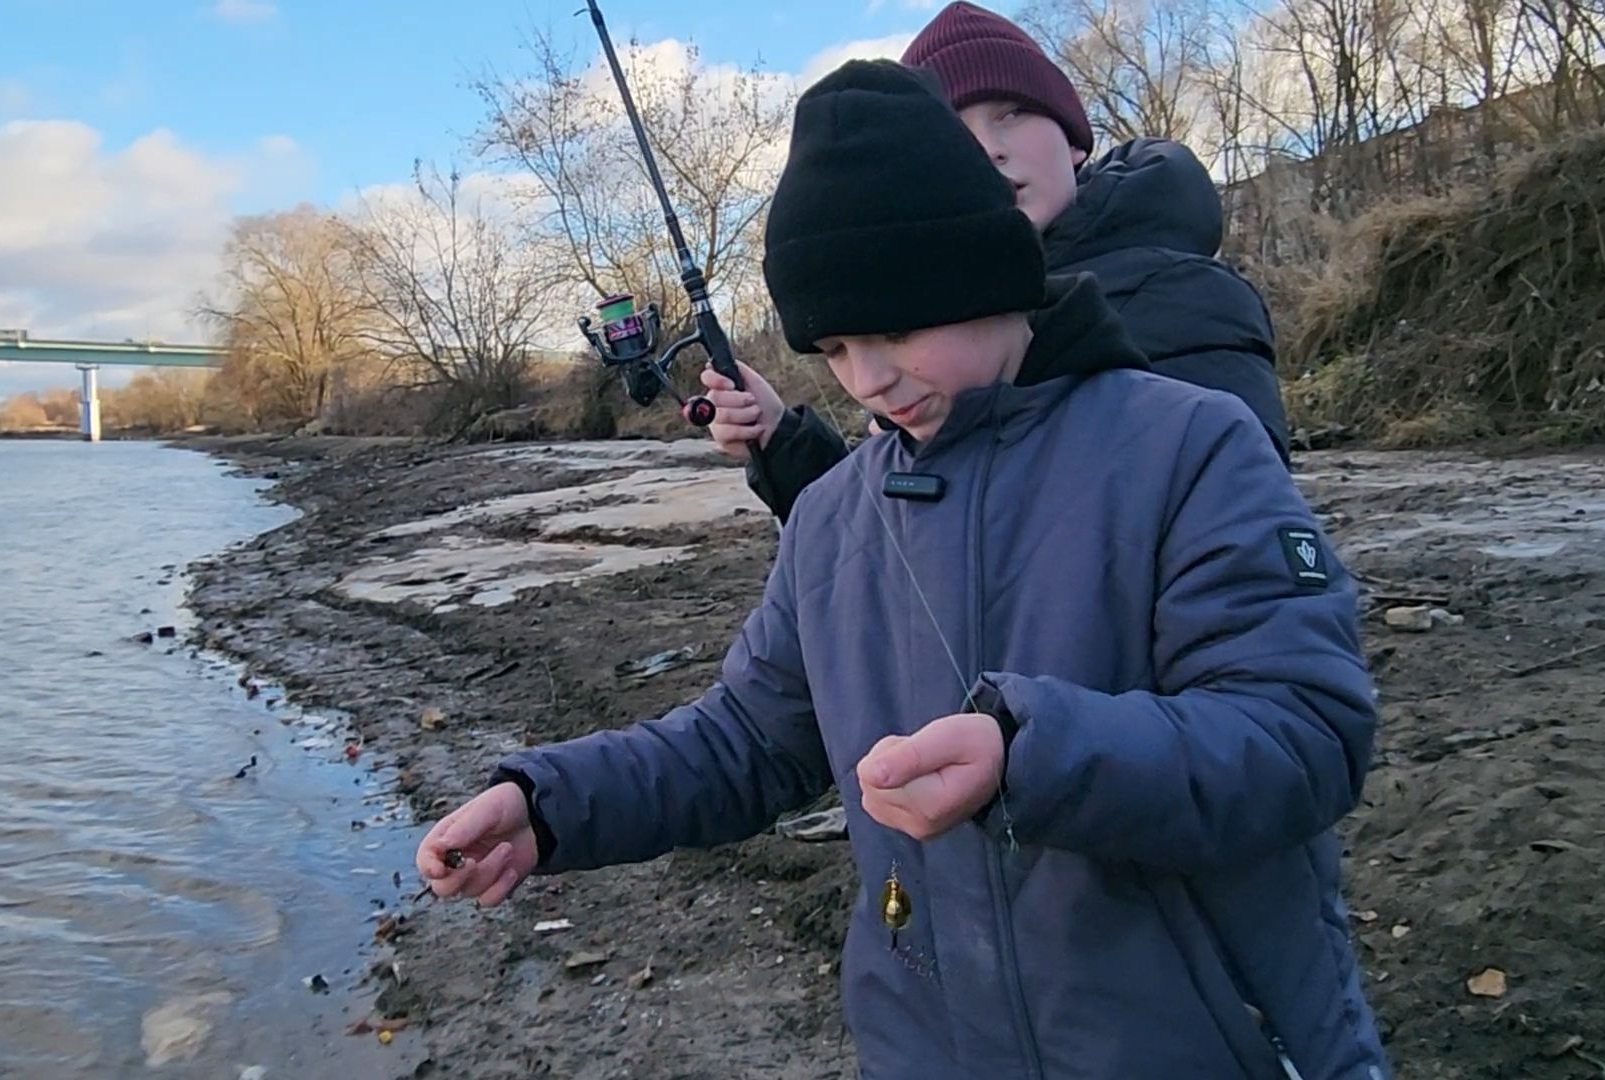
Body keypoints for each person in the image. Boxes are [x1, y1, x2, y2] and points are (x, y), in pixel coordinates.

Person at [417, 59, 1388, 1079]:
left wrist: (1030, 753)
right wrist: (552, 804)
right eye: (834, 347)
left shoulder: (1189, 447)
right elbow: (747, 740)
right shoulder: (834, 515)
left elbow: (1305, 735)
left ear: (990, 276)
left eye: (894, 329)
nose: (868, 380)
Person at [704, 0, 1291, 522]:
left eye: (1010, 112)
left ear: (1074, 139)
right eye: (952, 130)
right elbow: (905, 537)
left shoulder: (1189, 295)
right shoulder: (925, 318)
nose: (986, 147)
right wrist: (783, 440)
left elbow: (1236, 529)